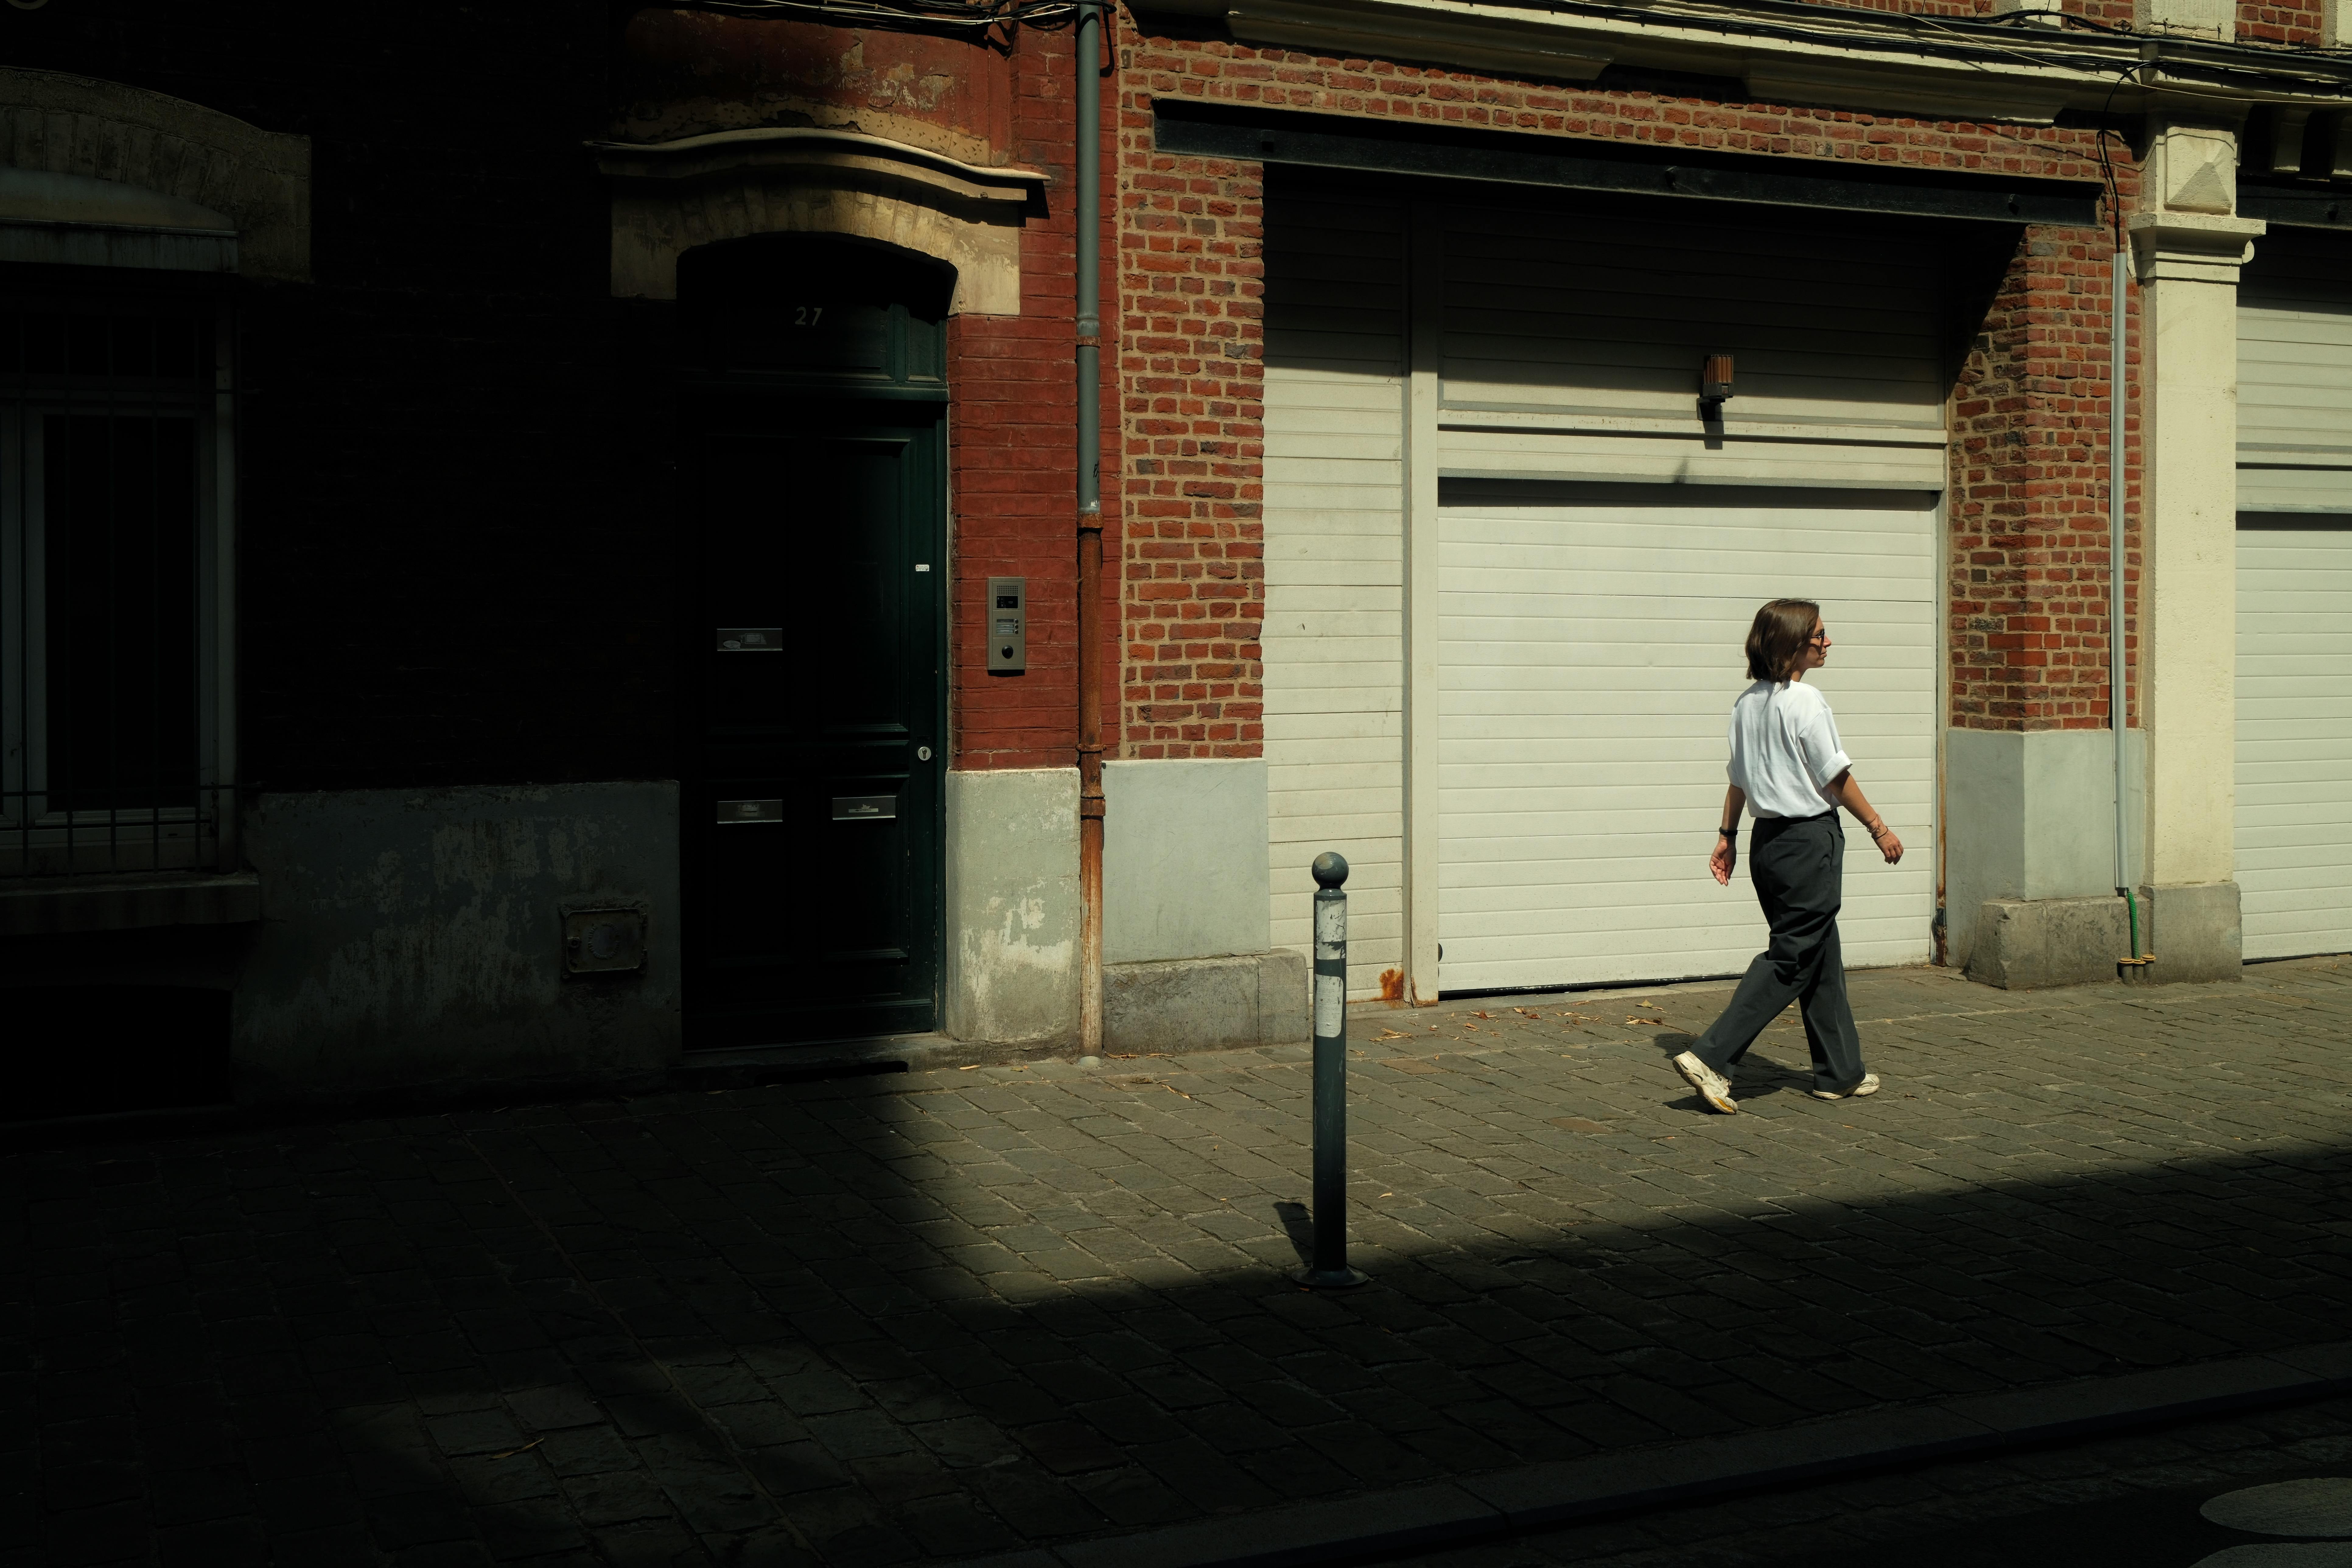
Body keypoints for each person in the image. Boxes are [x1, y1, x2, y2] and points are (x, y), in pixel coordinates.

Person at [1670, 599, 1903, 1115]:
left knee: (1819, 955)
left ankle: (1841, 1074)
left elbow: (1738, 778)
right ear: (1791, 643)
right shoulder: (1806, 701)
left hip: (1767, 846)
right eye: (1818, 635)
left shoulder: (1745, 704)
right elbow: (1835, 777)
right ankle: (1711, 1055)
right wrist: (1878, 828)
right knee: (1793, 957)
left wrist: (1728, 835)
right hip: (1806, 843)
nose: (1827, 642)